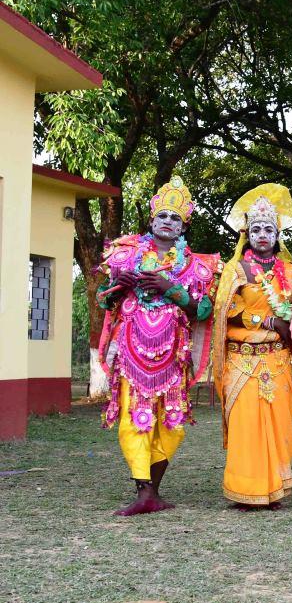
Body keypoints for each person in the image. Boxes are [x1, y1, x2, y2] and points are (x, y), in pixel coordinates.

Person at [96, 176, 219, 516]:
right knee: (133, 420)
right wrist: (117, 285)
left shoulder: (197, 267)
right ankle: (144, 491)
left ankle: (153, 491)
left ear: (184, 226)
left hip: (173, 356)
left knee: (172, 425)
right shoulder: (125, 256)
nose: (167, 221)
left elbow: (203, 310)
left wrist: (170, 288)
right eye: (162, 215)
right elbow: (102, 300)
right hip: (132, 353)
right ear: (152, 221)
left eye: (174, 217)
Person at [211, 185, 292, 510]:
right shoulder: (235, 271)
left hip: (276, 360)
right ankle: (245, 490)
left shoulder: (291, 273)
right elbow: (223, 311)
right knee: (246, 427)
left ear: (277, 235)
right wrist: (263, 320)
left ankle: (274, 490)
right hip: (242, 360)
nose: (262, 235)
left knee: (279, 425)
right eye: (256, 230)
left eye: (268, 229)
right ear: (246, 234)